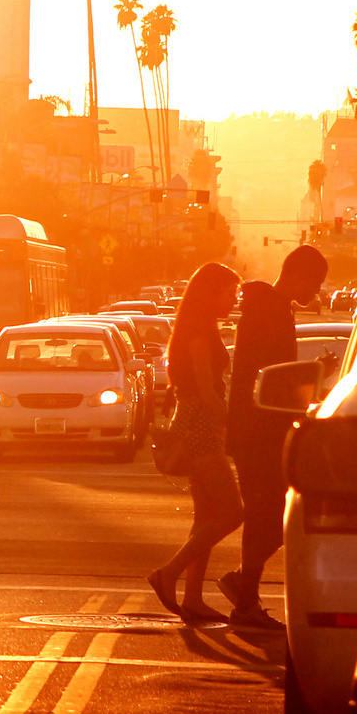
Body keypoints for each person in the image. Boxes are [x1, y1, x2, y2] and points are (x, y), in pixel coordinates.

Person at [218, 244, 329, 631]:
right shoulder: (268, 309)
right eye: (314, 282)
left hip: (263, 427)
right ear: (295, 273)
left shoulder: (270, 308)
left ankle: (243, 586)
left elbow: (273, 371)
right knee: (271, 512)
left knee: (271, 513)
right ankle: (244, 594)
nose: (316, 291)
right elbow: (266, 375)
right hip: (260, 429)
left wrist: (312, 370)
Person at [146, 262, 243, 625]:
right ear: (210, 293)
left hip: (195, 424)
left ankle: (193, 599)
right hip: (199, 427)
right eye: (229, 293)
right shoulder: (200, 333)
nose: (233, 300)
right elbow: (205, 392)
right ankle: (168, 573)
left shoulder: (202, 328)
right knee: (233, 512)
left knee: (205, 517)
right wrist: (234, 424)